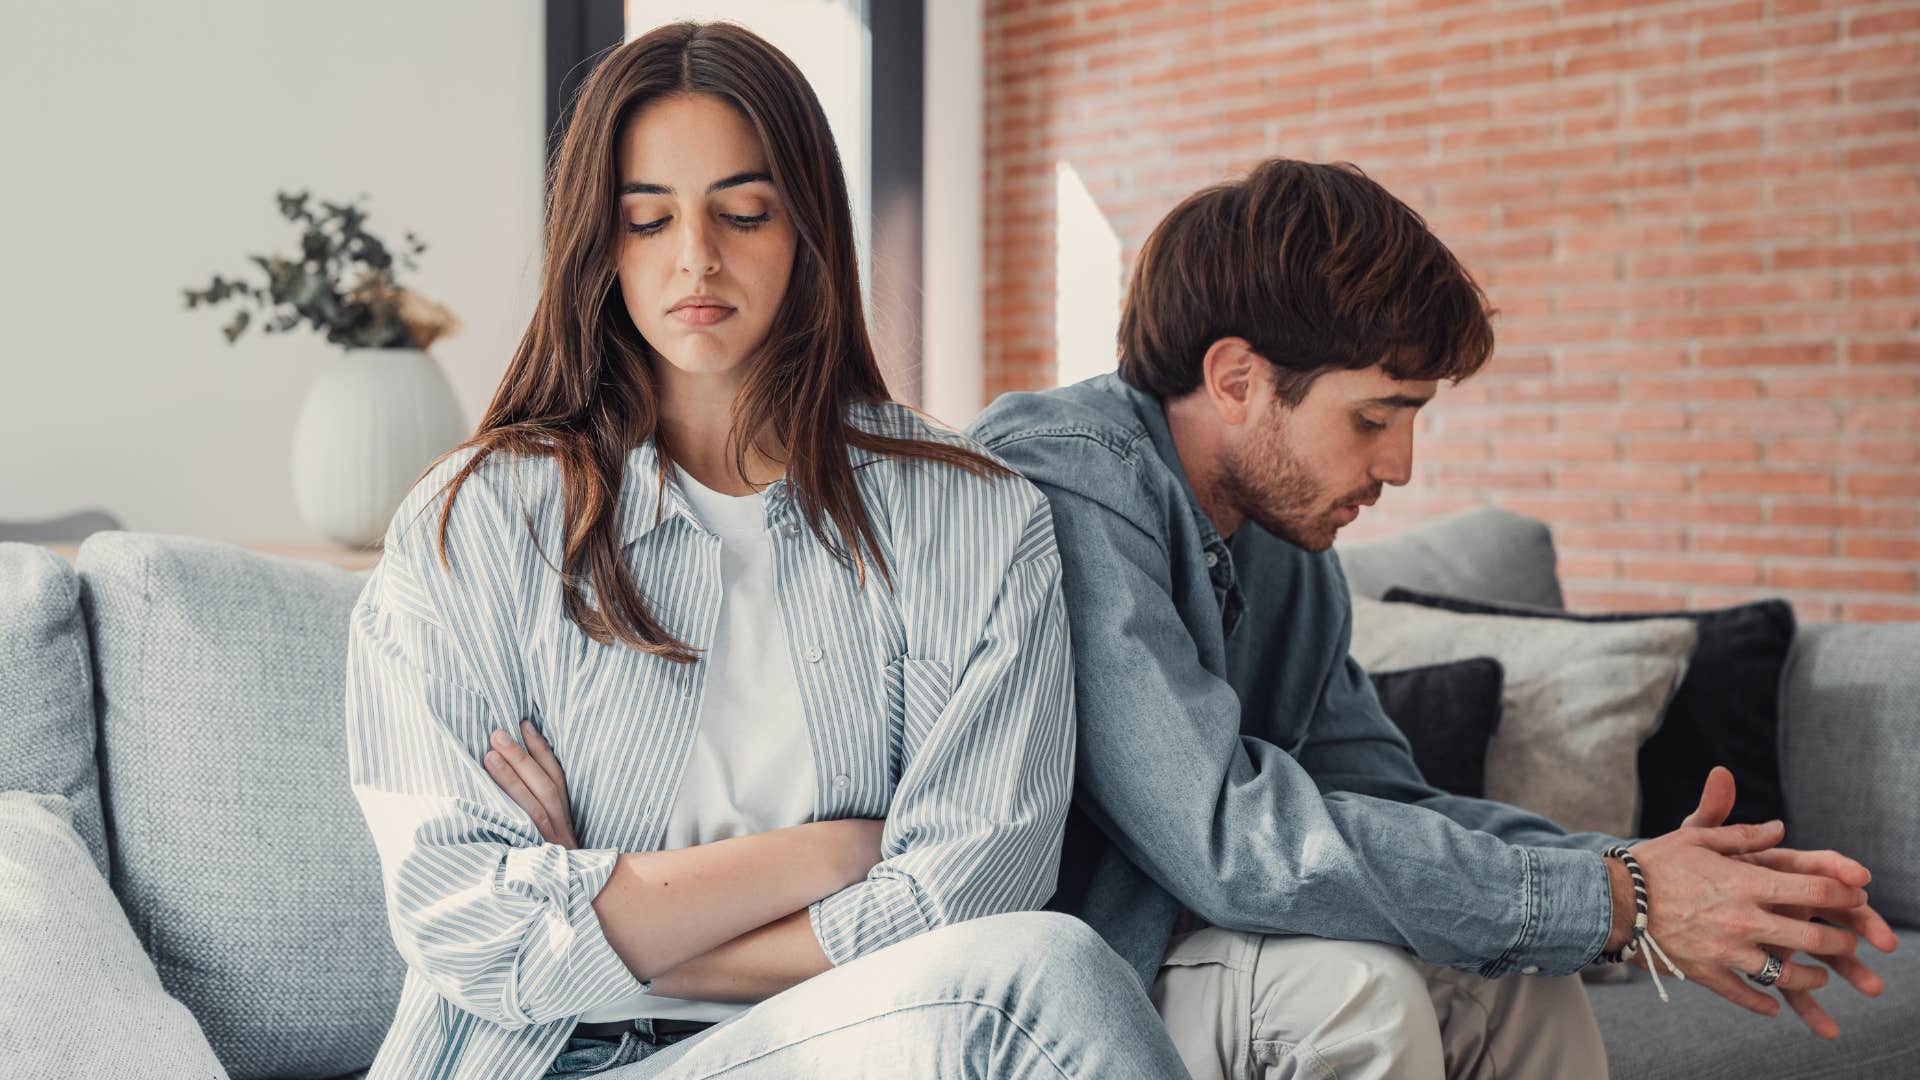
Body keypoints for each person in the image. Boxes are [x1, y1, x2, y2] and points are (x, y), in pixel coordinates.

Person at [344, 22, 1189, 1080]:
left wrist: (613, 905)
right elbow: (471, 928)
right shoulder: (472, 527)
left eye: (743, 212)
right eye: (647, 220)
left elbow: (972, 892)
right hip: (548, 1063)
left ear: (806, 228)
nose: (696, 257)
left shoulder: (974, 520)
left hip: (847, 1042)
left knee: (1040, 973)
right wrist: (840, 850)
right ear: (598, 246)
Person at [966, 158, 1898, 1079]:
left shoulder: (1285, 548)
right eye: (1375, 418)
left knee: (1523, 979)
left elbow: (1385, 803)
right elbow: (1227, 839)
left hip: (1199, 943)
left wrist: (1670, 880)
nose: (1401, 466)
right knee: (1357, 992)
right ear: (1237, 379)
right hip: (1070, 982)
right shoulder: (1069, 480)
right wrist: (1624, 898)